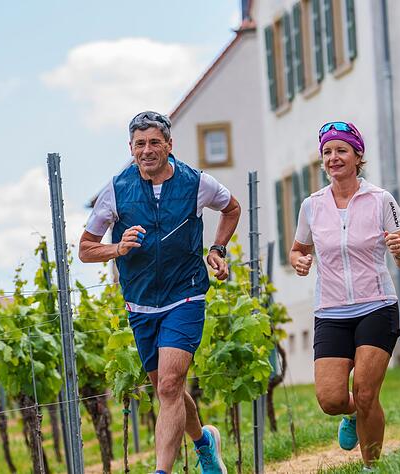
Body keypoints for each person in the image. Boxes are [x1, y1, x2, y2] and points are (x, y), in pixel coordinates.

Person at [79, 111, 240, 474]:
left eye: (155, 142)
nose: (147, 150)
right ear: (131, 148)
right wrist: (117, 248)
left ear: (169, 145)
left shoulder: (197, 183)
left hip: (185, 295)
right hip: (140, 304)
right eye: (140, 144)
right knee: (169, 391)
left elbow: (231, 209)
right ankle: (204, 443)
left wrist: (217, 249)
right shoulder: (116, 190)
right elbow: (86, 248)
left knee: (169, 385)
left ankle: (161, 471)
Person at [289, 121, 400, 470]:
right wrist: (299, 261)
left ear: (358, 156)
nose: (333, 158)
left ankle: (372, 466)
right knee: (330, 399)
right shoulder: (311, 205)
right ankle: (351, 415)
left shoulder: (380, 200)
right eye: (327, 152)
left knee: (365, 392)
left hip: (377, 306)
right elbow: (297, 248)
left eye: (341, 150)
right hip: (330, 311)